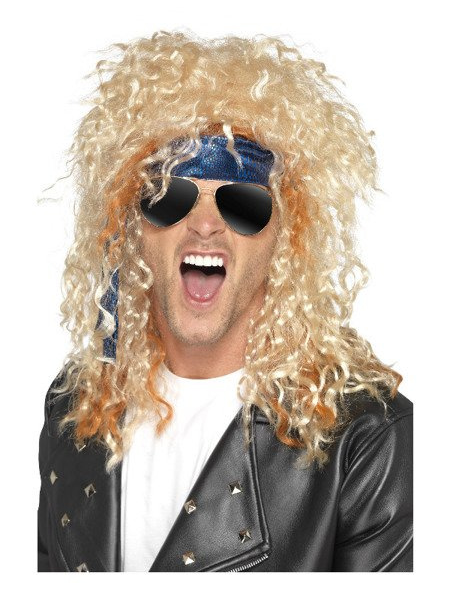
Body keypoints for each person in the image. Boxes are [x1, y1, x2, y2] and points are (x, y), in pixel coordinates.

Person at [37, 30, 413, 572]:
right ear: (130, 227)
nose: (205, 224)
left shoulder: (367, 438)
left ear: (286, 236)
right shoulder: (75, 408)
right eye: (171, 196)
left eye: (242, 204)